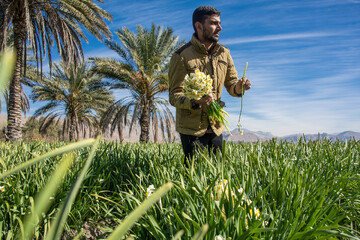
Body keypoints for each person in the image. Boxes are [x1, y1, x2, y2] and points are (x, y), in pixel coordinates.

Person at [168, 5, 251, 166]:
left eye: (219, 23)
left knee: (218, 172)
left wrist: (239, 88)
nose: (220, 27)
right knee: (195, 175)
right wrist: (196, 101)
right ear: (199, 26)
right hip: (192, 129)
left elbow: (232, 84)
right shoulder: (181, 56)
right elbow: (174, 96)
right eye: (214, 23)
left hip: (216, 125)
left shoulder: (224, 53)